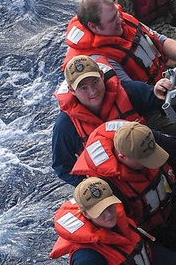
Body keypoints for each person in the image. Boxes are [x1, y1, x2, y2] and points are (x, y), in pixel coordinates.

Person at [71, 117, 176, 265]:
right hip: (140, 237)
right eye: (143, 160)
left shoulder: (141, 138)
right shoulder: (106, 185)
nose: (150, 163)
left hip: (162, 214)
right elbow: (113, 228)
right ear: (123, 158)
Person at [51, 54, 165, 186]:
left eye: (95, 82)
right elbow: (62, 165)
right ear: (72, 90)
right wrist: (89, 185)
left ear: (102, 75)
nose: (93, 91)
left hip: (151, 161)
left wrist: (162, 90)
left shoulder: (129, 91)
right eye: (83, 88)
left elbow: (161, 102)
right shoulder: (65, 126)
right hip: (115, 186)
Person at [64, 0, 176, 88]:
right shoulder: (100, 60)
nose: (120, 20)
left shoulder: (125, 20)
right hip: (154, 98)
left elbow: (161, 41)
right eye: (112, 19)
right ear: (93, 27)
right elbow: (136, 92)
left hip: (168, 75)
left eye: (117, 13)